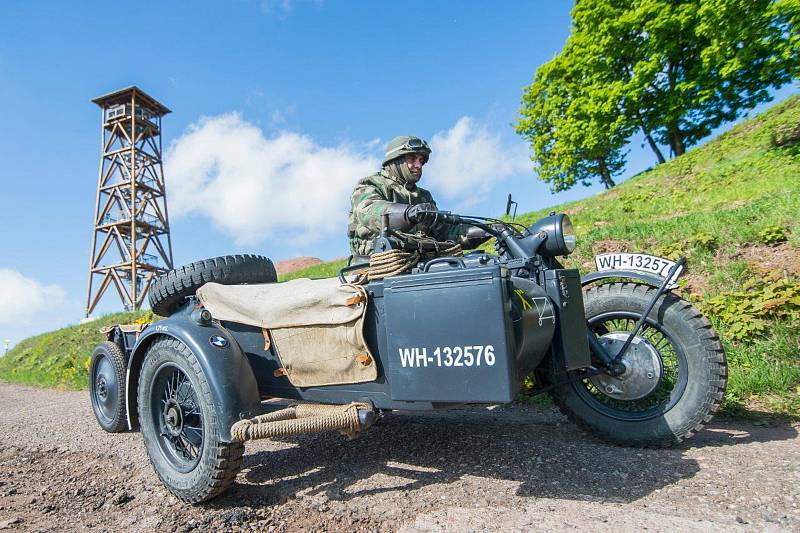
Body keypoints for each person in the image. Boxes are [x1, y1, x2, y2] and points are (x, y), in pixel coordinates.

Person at [347, 135, 491, 257]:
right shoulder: (370, 185)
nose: (418, 165)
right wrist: (408, 213)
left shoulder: (423, 196)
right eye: (412, 159)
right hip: (376, 262)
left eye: (421, 161)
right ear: (395, 160)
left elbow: (444, 231)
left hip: (419, 261)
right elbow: (370, 211)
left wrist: (485, 231)